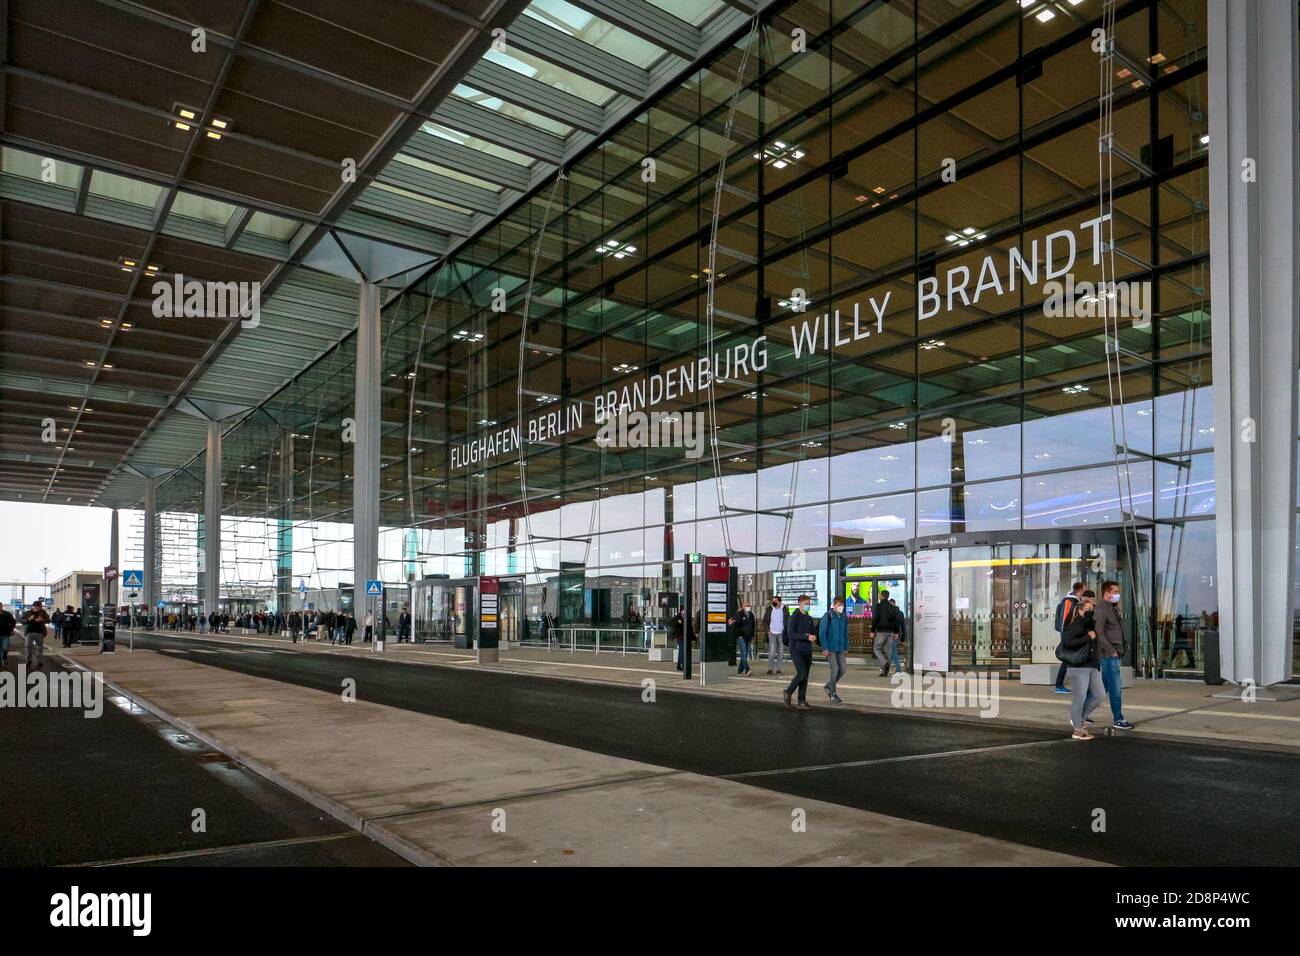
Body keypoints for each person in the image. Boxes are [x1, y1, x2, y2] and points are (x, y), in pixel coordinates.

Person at [1060, 591, 1105, 739]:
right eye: (1088, 610)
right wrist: (1087, 637)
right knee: (1079, 697)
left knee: (1099, 695)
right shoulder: (1075, 624)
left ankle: (1078, 718)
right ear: (1080, 610)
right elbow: (1068, 643)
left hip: (1093, 665)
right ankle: (1077, 730)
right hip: (1078, 666)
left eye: (1092, 609)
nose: (1091, 612)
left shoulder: (1091, 624)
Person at [1095, 580, 1133, 731]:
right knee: (1115, 688)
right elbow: (1099, 633)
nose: (1118, 595)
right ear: (1107, 593)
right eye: (1115, 592)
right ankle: (1118, 718)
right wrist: (1111, 650)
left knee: (1101, 688)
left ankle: (1081, 714)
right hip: (1109, 655)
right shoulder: (1101, 609)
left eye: (1118, 592)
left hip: (1113, 653)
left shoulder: (1112, 608)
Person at [782, 595, 818, 709]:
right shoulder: (794, 617)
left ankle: (801, 700)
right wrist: (806, 637)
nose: (808, 606)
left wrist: (814, 636)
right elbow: (791, 634)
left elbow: (813, 632)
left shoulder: (809, 618)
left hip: (807, 650)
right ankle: (788, 691)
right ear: (800, 604)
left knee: (805, 676)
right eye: (806, 603)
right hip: (796, 650)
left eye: (809, 603)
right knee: (802, 673)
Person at [1052, 581, 1085, 694]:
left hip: (1072, 635)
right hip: (1069, 636)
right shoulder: (1069, 601)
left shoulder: (1074, 601)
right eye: (1083, 590)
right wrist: (1067, 635)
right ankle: (1059, 685)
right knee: (1068, 660)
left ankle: (1062, 685)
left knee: (1071, 659)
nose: (1083, 593)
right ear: (1079, 590)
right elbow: (1064, 622)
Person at [819, 596, 849, 703]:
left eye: (842, 605)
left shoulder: (844, 617)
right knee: (835, 669)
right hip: (830, 648)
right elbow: (822, 633)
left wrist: (846, 647)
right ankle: (833, 694)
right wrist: (824, 648)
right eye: (839, 605)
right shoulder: (828, 616)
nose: (841, 607)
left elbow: (845, 633)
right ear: (834, 605)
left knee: (843, 668)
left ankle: (828, 686)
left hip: (840, 648)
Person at [872, 589, 902, 676]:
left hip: (881, 631)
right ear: (888, 596)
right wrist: (896, 632)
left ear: (881, 596)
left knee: (876, 648)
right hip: (891, 632)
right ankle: (885, 672)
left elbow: (875, 619)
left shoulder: (878, 606)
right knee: (888, 651)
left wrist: (873, 630)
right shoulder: (892, 607)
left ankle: (884, 663)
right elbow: (896, 620)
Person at [22, 599, 50, 670]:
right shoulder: (27, 612)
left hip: (40, 632)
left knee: (39, 648)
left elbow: (49, 620)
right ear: (33, 607)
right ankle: (29, 660)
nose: (38, 608)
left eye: (40, 607)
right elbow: (21, 620)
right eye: (37, 607)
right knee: (28, 647)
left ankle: (38, 662)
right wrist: (28, 619)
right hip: (29, 632)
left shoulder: (43, 612)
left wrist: (42, 619)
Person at [731, 600, 756, 676]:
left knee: (745, 654)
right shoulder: (739, 614)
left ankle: (740, 670)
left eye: (748, 605)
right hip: (741, 636)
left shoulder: (751, 614)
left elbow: (753, 625)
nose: (748, 607)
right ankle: (747, 669)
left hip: (749, 636)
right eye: (746, 605)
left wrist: (752, 635)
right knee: (744, 652)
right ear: (742, 607)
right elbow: (735, 625)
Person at [766, 595, 789, 675]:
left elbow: (788, 620)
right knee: (772, 651)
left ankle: (778, 669)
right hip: (772, 632)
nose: (773, 602)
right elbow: (765, 620)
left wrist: (786, 631)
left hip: (781, 633)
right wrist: (767, 630)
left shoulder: (785, 609)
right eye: (773, 601)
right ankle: (770, 669)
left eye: (775, 600)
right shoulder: (770, 609)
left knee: (781, 652)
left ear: (779, 601)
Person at [0, 601, 15, 666]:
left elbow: (13, 622)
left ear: (1, 607)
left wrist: (10, 629)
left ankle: (4, 656)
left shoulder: (7, 614)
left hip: (5, 634)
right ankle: (1, 661)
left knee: (5, 647)